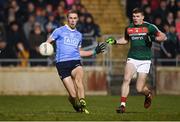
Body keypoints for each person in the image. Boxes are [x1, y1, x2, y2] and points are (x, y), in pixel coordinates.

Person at [106, 8, 167, 113]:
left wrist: (153, 38)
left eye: (138, 16)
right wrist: (115, 41)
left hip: (145, 60)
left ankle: (148, 94)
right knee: (126, 79)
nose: (135, 18)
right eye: (134, 16)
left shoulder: (149, 27)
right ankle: (122, 105)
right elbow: (125, 40)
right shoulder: (129, 28)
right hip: (132, 58)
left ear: (142, 17)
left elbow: (163, 37)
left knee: (139, 88)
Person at [46, 10, 106, 114]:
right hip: (62, 64)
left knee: (79, 80)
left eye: (75, 18)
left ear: (77, 20)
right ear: (67, 19)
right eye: (71, 18)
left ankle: (82, 101)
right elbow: (47, 43)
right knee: (73, 95)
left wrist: (95, 51)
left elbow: (79, 52)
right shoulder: (59, 31)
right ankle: (74, 103)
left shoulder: (79, 35)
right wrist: (45, 47)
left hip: (75, 61)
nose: (73, 20)